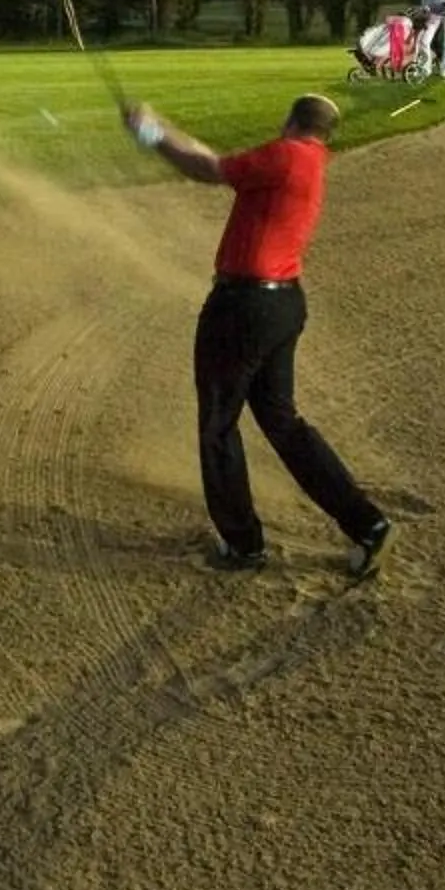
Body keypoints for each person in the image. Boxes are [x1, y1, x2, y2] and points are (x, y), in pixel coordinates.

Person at [122, 92, 393, 577]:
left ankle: (243, 544)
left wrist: (150, 135)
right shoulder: (306, 160)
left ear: (289, 120)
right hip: (282, 304)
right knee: (283, 422)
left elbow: (205, 171)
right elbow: (217, 163)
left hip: (241, 309)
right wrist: (159, 124)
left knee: (218, 425)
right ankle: (366, 523)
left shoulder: (283, 155)